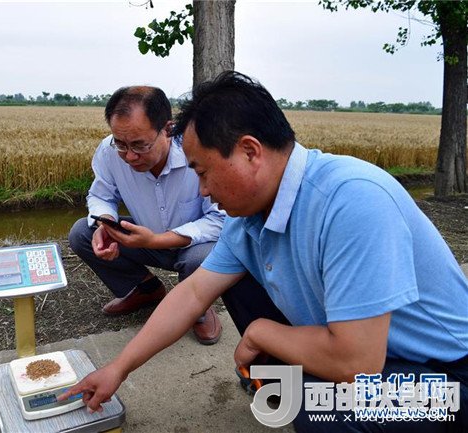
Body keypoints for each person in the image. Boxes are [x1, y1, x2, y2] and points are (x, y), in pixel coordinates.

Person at [61, 71, 468, 432]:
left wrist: (261, 333)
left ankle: (299, 386)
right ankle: (287, 379)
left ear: (250, 151)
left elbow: (356, 363)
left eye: (203, 172)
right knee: (238, 284)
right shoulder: (247, 218)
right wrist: (118, 368)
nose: (203, 190)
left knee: (324, 408)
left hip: (447, 379)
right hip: (371, 357)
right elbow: (193, 293)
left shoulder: (352, 200)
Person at [68, 85, 225, 345]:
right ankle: (144, 290)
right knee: (82, 233)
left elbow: (219, 220)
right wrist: (106, 223)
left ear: (168, 129)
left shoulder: (198, 153)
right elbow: (101, 196)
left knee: (202, 257)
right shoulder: (109, 152)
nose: (129, 156)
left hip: (192, 245)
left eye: (140, 145)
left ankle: (197, 306)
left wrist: (157, 240)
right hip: (143, 238)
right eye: (121, 144)